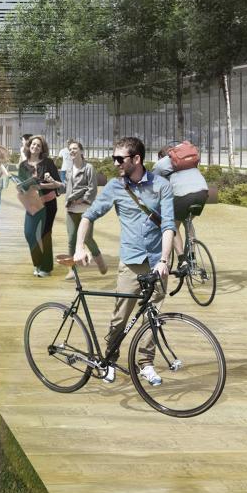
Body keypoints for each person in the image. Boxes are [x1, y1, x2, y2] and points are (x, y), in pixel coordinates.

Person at [73, 137, 176, 384]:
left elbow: (169, 226)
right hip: (131, 261)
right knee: (120, 317)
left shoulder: (162, 186)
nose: (116, 163)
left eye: (120, 159)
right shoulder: (114, 187)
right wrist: (79, 247)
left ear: (136, 159)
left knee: (153, 316)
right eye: (114, 158)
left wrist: (164, 260)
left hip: (156, 262)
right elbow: (88, 216)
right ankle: (108, 358)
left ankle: (146, 363)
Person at [153, 142, 210, 267]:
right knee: (187, 221)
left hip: (183, 195)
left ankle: (182, 260)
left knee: (172, 225)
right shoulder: (187, 159)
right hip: (203, 192)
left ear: (161, 155)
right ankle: (192, 256)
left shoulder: (160, 164)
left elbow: (153, 187)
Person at [19, 135, 62, 277]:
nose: (35, 147)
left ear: (42, 148)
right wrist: (22, 187)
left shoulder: (48, 163)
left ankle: (46, 267)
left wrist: (41, 185)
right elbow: (22, 186)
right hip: (32, 203)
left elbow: (58, 183)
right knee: (29, 233)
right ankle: (38, 262)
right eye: (33, 144)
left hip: (48, 202)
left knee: (45, 234)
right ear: (29, 145)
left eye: (38, 145)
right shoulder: (23, 165)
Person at [64, 140, 106, 276]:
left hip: (86, 211)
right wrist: (54, 184)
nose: (72, 151)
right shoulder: (69, 169)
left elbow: (93, 188)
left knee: (88, 239)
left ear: (81, 151)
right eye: (70, 149)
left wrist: (81, 199)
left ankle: (100, 262)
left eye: (75, 148)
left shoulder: (89, 168)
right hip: (71, 210)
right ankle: (72, 270)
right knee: (71, 239)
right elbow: (67, 187)